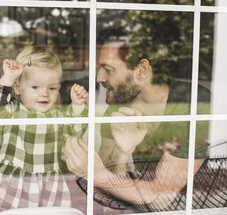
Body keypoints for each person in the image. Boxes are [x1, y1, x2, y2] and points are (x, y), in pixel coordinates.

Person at [64, 42, 210, 211]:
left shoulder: (192, 103)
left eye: (108, 69)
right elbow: (106, 194)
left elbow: (162, 197)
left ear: (142, 70)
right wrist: (123, 154)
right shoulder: (118, 110)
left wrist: (94, 173)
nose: (99, 78)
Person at [0, 46, 89, 212]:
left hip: (49, 183)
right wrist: (8, 77)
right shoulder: (13, 110)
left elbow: (74, 130)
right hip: (15, 182)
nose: (45, 94)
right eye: (35, 87)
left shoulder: (57, 115)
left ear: (58, 89)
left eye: (52, 88)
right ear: (18, 88)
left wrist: (77, 106)